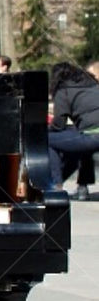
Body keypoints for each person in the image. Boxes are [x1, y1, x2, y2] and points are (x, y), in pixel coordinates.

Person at [48, 61, 99, 199]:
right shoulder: (93, 84)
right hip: (91, 133)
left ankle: (55, 187)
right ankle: (82, 187)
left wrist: (49, 129)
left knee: (48, 140)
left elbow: (59, 123)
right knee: (78, 143)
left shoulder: (62, 89)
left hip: (92, 135)